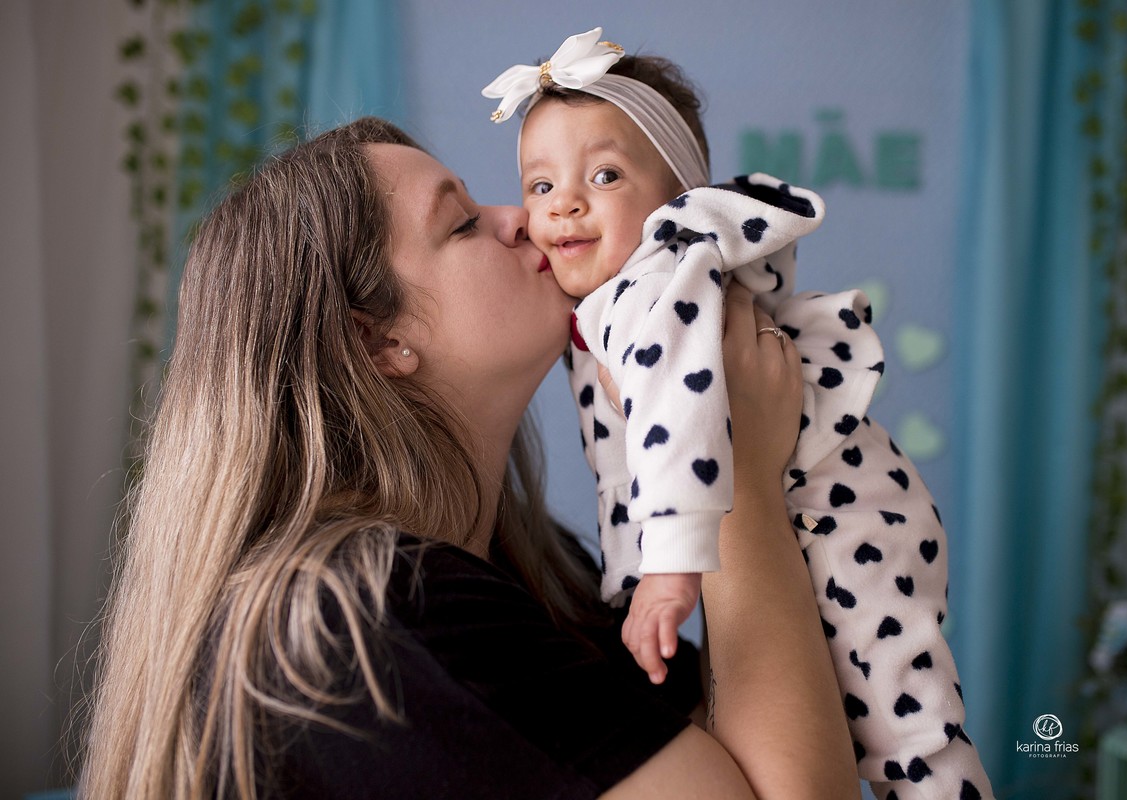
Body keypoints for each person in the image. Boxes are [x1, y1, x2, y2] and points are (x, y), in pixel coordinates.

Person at [78, 116, 862, 798]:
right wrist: (726, 472)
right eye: (461, 224)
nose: (522, 218)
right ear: (379, 341)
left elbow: (746, 757)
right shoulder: (372, 618)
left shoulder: (538, 575)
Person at [482, 28, 994, 800]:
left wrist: (665, 568)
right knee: (858, 721)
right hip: (801, 514)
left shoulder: (657, 287)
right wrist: (633, 562)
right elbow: (626, 452)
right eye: (541, 185)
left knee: (906, 731)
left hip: (842, 506)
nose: (566, 206)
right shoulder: (602, 308)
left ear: (676, 201)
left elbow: (682, 413)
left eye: (607, 174)